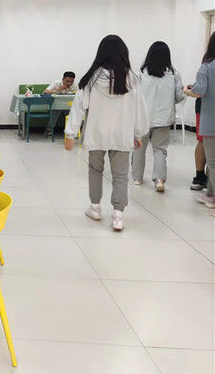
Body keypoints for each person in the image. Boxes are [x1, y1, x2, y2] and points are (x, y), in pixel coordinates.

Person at [65, 35, 149, 231]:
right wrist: (138, 134)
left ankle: (95, 208)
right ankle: (118, 216)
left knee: (95, 170)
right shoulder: (132, 79)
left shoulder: (91, 79)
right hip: (122, 134)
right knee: (120, 176)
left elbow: (78, 107)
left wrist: (70, 134)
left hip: (96, 133)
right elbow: (140, 109)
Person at [131, 41, 186, 192]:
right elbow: (179, 96)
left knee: (139, 148)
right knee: (160, 150)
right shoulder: (174, 74)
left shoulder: (140, 73)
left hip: (143, 118)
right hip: (164, 118)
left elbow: (134, 96)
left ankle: (137, 177)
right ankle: (159, 180)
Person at [183, 32, 215, 217]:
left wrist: (187, 90)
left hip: (211, 121)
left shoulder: (207, 67)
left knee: (213, 163)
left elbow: (199, 91)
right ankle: (210, 194)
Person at [191, 98, 208, 190]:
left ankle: (200, 177)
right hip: (205, 107)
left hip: (204, 106)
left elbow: (197, 92)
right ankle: (200, 177)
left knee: (203, 140)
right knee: (203, 140)